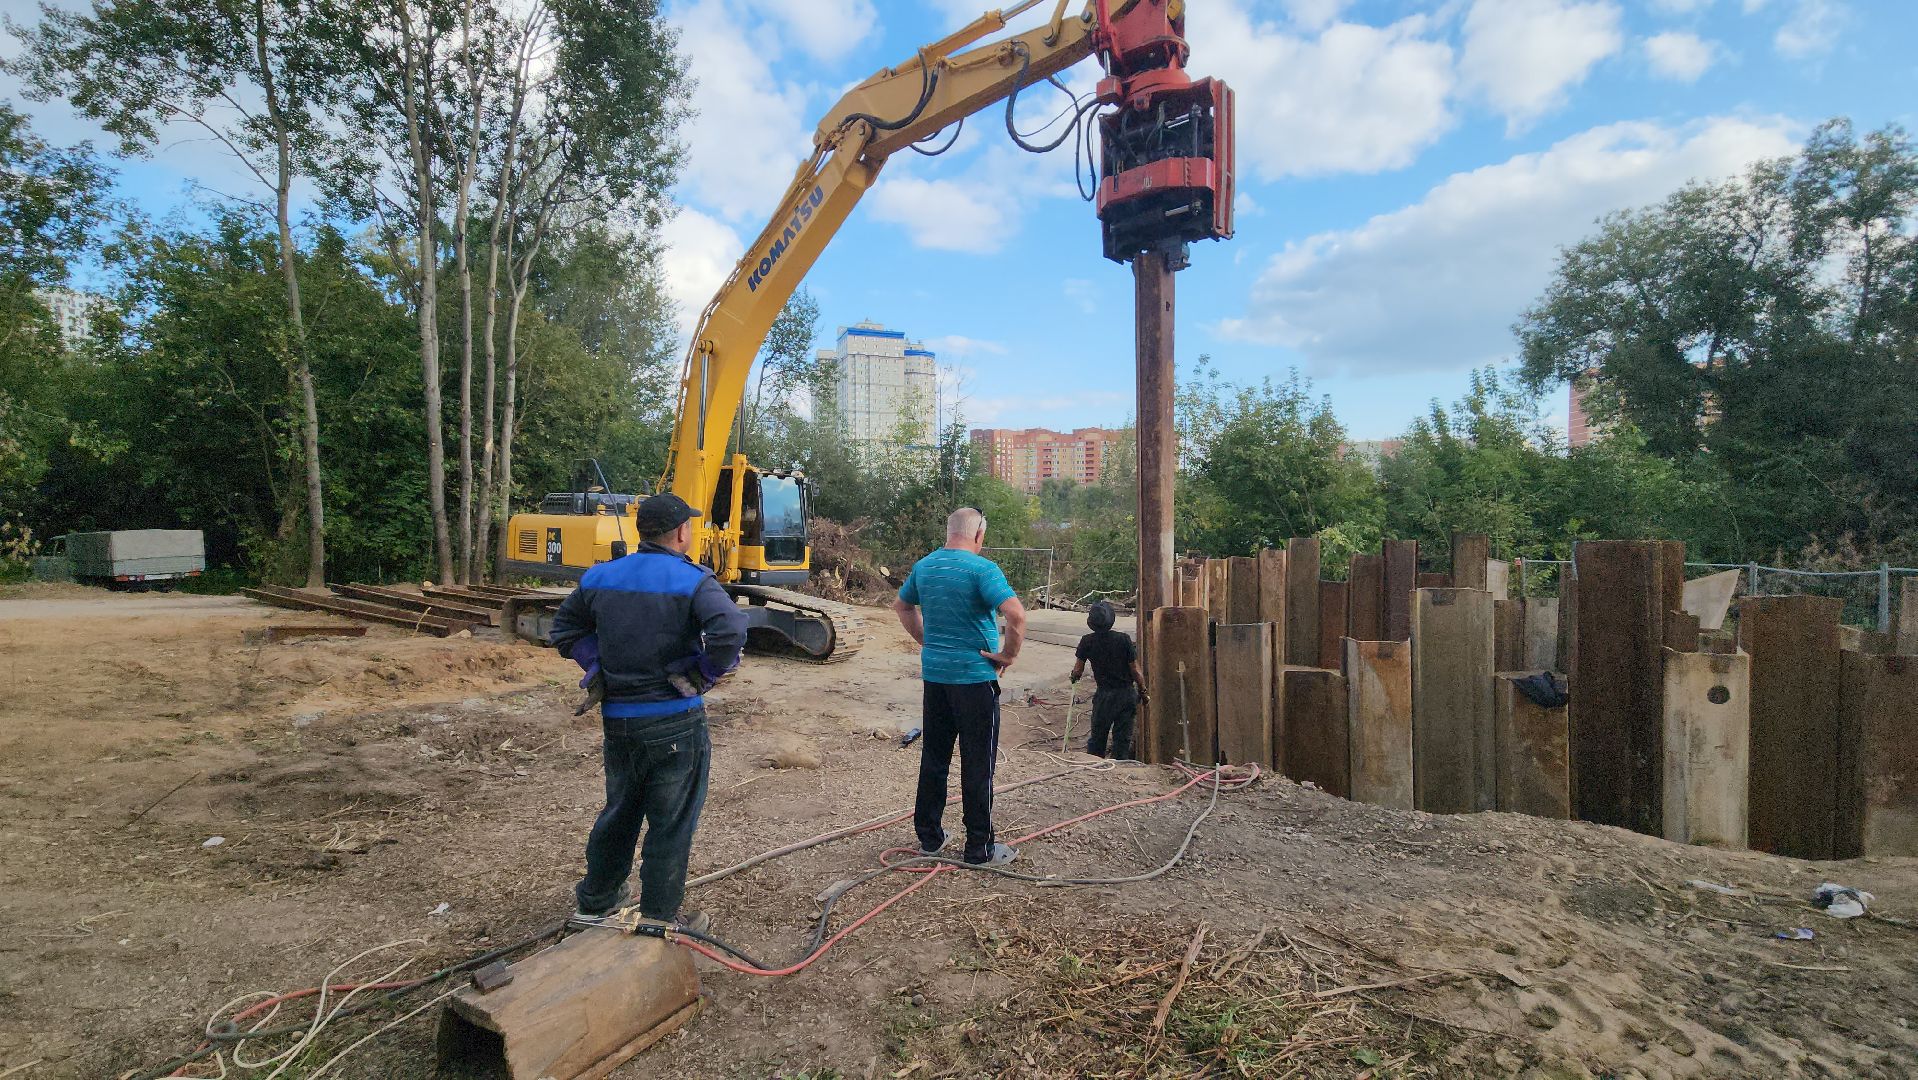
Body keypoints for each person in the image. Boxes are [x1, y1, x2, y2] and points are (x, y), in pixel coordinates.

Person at [549, 492, 747, 931]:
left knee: (619, 810)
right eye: (690, 528)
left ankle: (595, 905)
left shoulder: (600, 577)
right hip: (675, 719)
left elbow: (563, 629)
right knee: (671, 821)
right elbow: (731, 629)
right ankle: (658, 918)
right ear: (681, 532)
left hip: (619, 721)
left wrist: (597, 663)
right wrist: (704, 671)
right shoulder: (691, 579)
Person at [891, 507, 1027, 866]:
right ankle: (979, 849)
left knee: (934, 757)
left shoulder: (925, 566)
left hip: (936, 679)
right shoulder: (983, 570)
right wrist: (1008, 655)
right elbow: (1015, 614)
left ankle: (930, 838)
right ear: (979, 534)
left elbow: (902, 607)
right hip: (974, 681)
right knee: (978, 763)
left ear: (950, 531)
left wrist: (927, 641)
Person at [1071, 601, 1147, 760]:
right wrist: (1143, 691)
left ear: (1091, 623)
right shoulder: (1124, 640)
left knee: (1098, 736)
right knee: (1122, 738)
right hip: (1126, 694)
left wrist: (1074, 677)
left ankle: (1094, 766)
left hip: (1104, 695)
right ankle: (1119, 768)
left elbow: (1078, 670)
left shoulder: (1087, 641)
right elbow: (1135, 671)